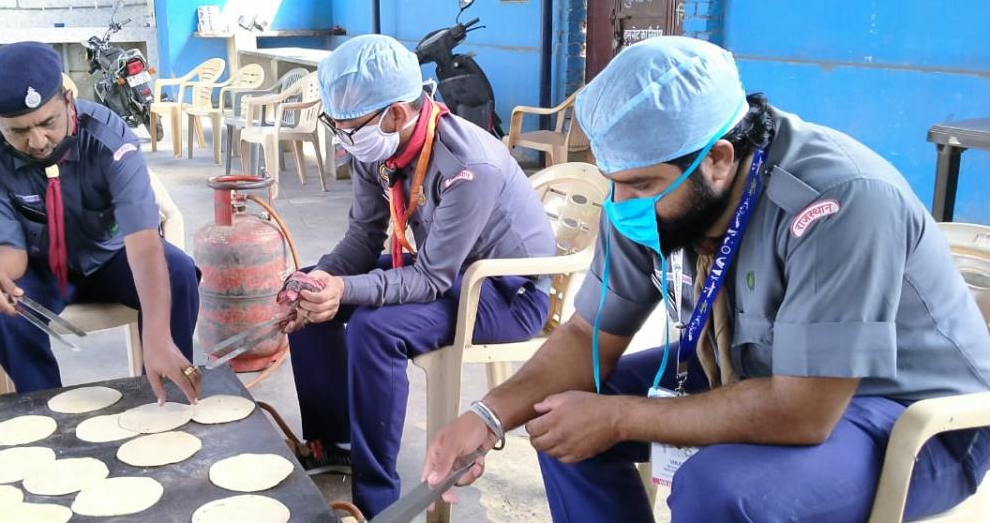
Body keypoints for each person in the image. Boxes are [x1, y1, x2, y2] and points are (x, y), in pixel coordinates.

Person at [421, 35, 990, 522]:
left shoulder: (838, 201)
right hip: (750, 366)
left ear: (718, 159)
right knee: (559, 418)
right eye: (614, 180)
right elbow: (586, 335)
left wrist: (619, 418)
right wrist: (486, 415)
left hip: (904, 413)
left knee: (720, 489)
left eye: (641, 185)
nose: (622, 204)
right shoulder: (655, 193)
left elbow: (805, 410)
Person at [284, 34, 556, 517]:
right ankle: (336, 442)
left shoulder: (468, 165)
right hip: (449, 271)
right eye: (335, 124)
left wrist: (345, 289)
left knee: (373, 328)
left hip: (506, 291)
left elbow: (429, 279)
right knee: (310, 290)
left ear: (395, 113)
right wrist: (322, 280)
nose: (343, 137)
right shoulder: (377, 147)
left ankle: (376, 500)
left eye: (349, 126)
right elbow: (362, 238)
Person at [0, 42, 201, 402]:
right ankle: (44, 410)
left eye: (48, 122)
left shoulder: (110, 139)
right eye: (17, 131)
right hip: (36, 267)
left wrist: (158, 336)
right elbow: (8, 249)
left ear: (68, 100)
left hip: (111, 257)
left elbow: (144, 242)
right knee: (5, 307)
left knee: (178, 272)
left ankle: (165, 400)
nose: (37, 141)